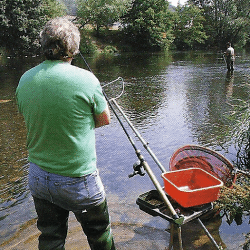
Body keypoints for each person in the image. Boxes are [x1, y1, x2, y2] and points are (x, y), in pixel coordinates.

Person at [16, 17, 116, 250]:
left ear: (43, 46)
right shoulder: (86, 80)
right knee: (100, 235)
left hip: (39, 177)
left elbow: (30, 117)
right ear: (74, 48)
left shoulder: (24, 79)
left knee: (51, 238)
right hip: (79, 180)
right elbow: (104, 120)